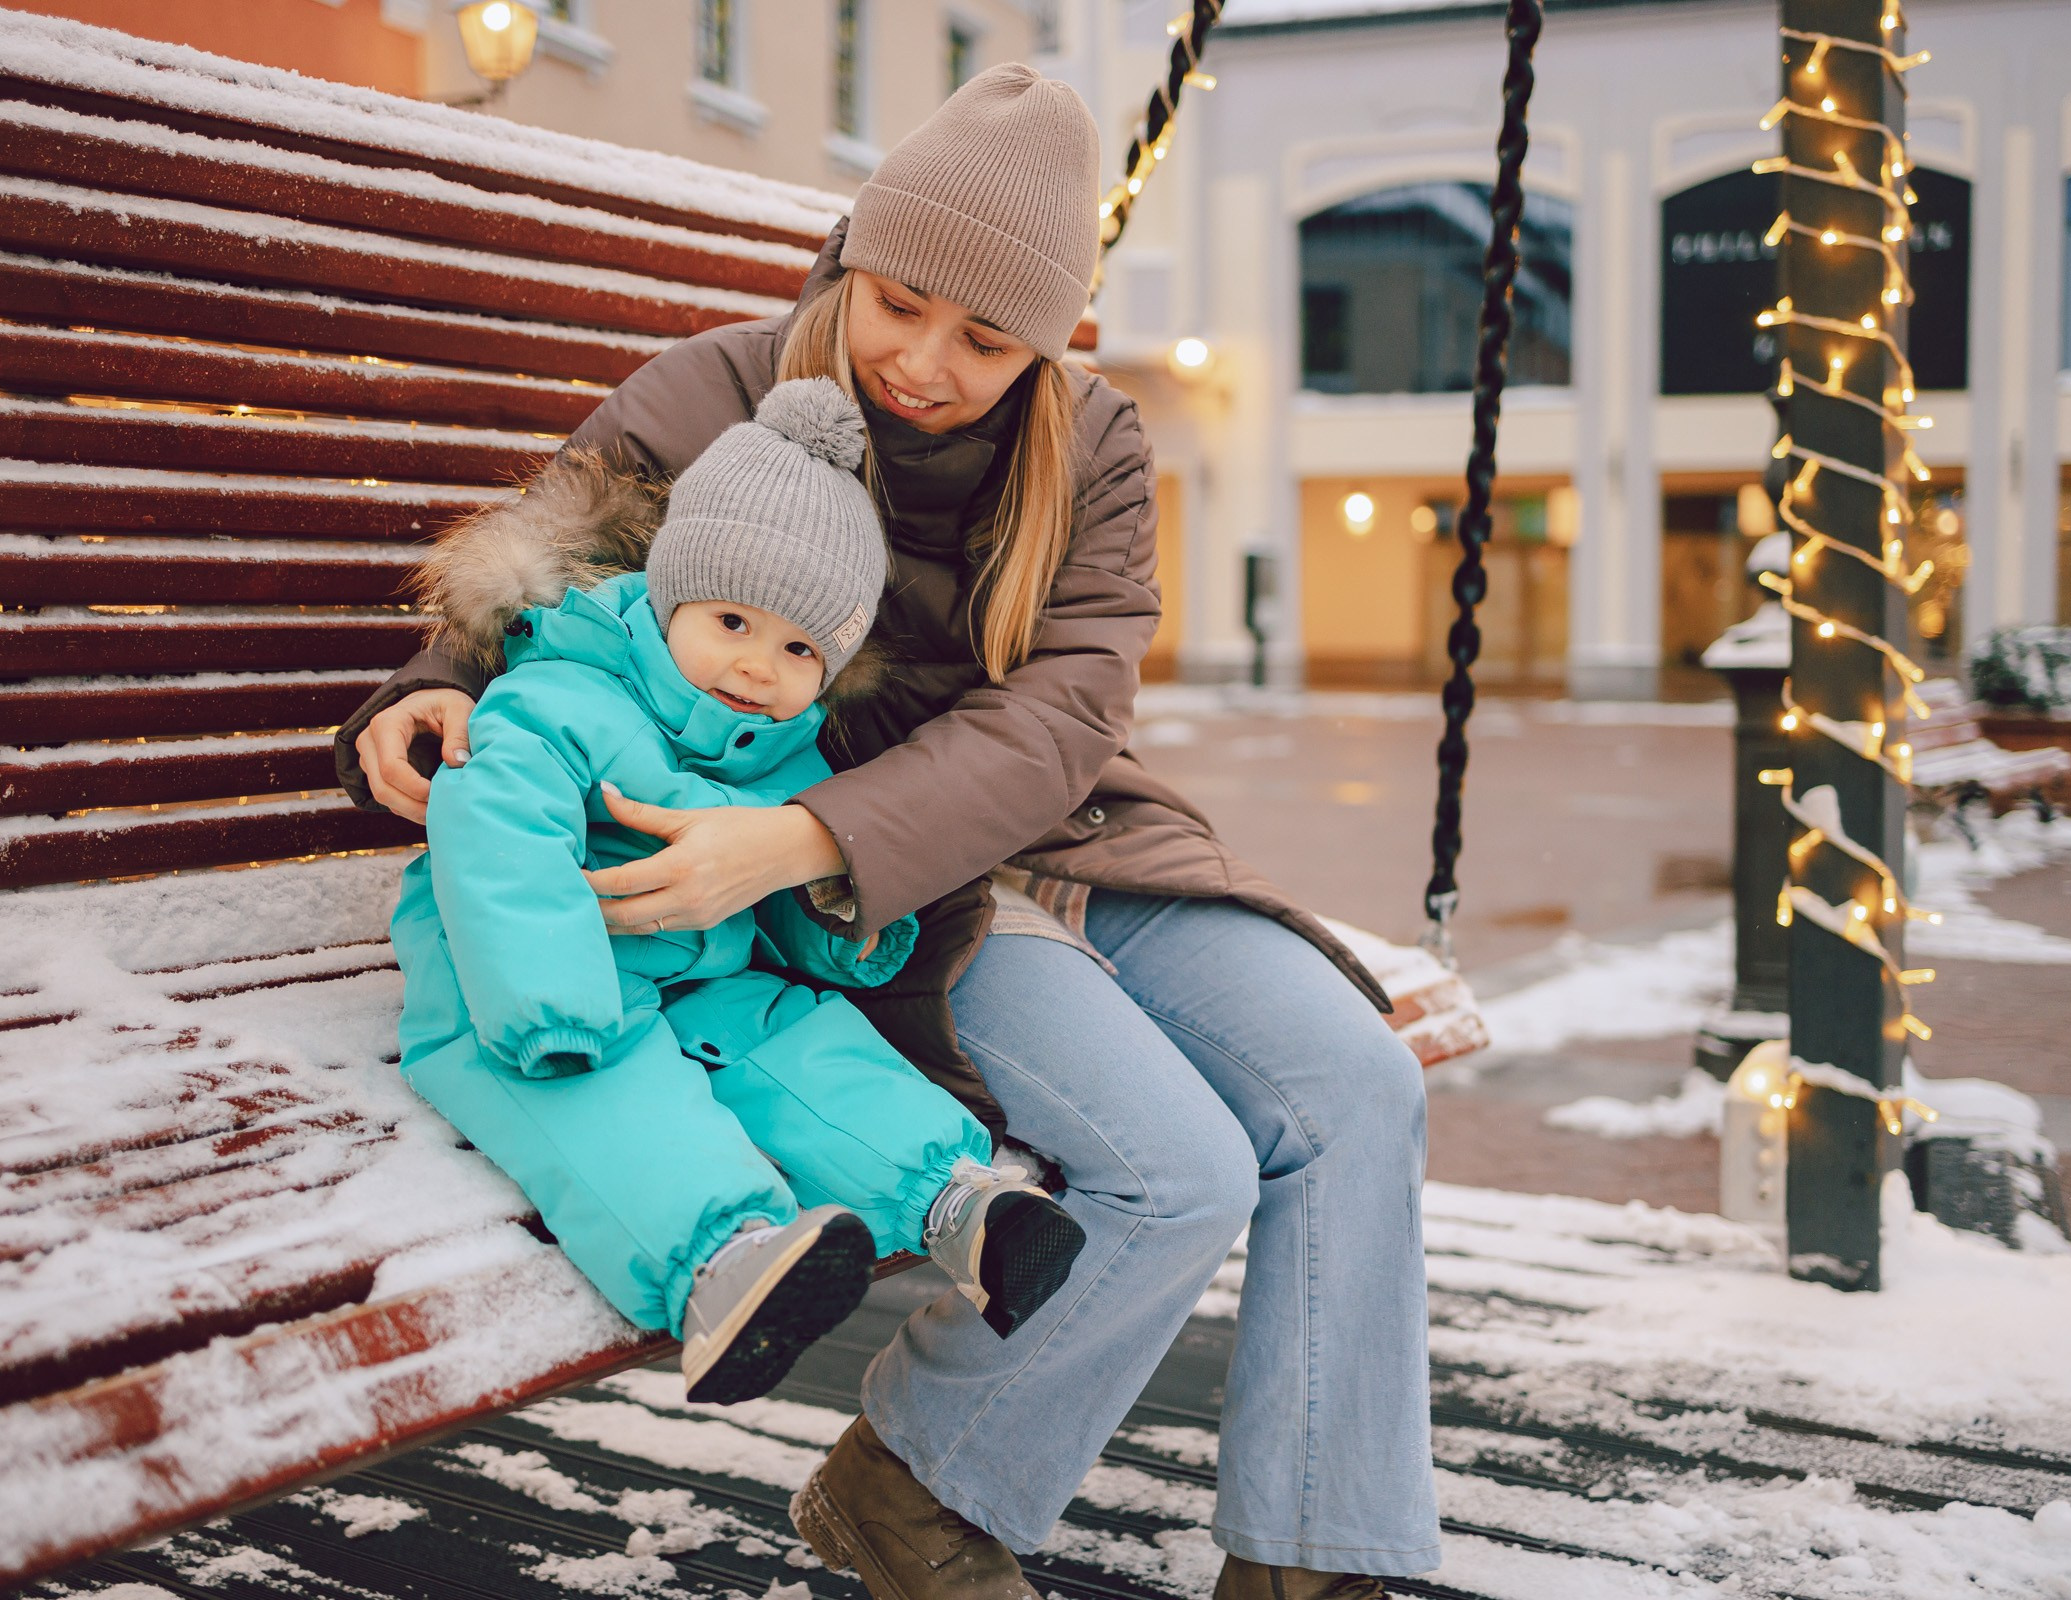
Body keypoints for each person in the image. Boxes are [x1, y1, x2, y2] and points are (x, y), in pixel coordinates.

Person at [343, 64, 1440, 1600]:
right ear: (853, 258)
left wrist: (801, 834)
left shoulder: (1091, 450)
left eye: (989, 341)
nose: (926, 362)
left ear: (1048, 345)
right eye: (901, 304)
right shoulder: (713, 397)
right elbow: (538, 576)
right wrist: (426, 690)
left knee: (1356, 1085)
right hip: (891, 906)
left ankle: (1315, 1559)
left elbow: (1066, 718)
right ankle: (920, 1485)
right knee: (1175, 1167)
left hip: (1038, 837)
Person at [389, 378, 1084, 1407]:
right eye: (732, 621)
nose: (761, 667)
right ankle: (723, 1261)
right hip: (528, 992)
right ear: (672, 593)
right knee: (614, 1102)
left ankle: (950, 1194)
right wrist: (549, 1002)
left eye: (802, 648)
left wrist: (834, 927)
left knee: (802, 1044)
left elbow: (795, 910)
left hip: (705, 975)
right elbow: (495, 835)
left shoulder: (788, 755)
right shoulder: (562, 694)